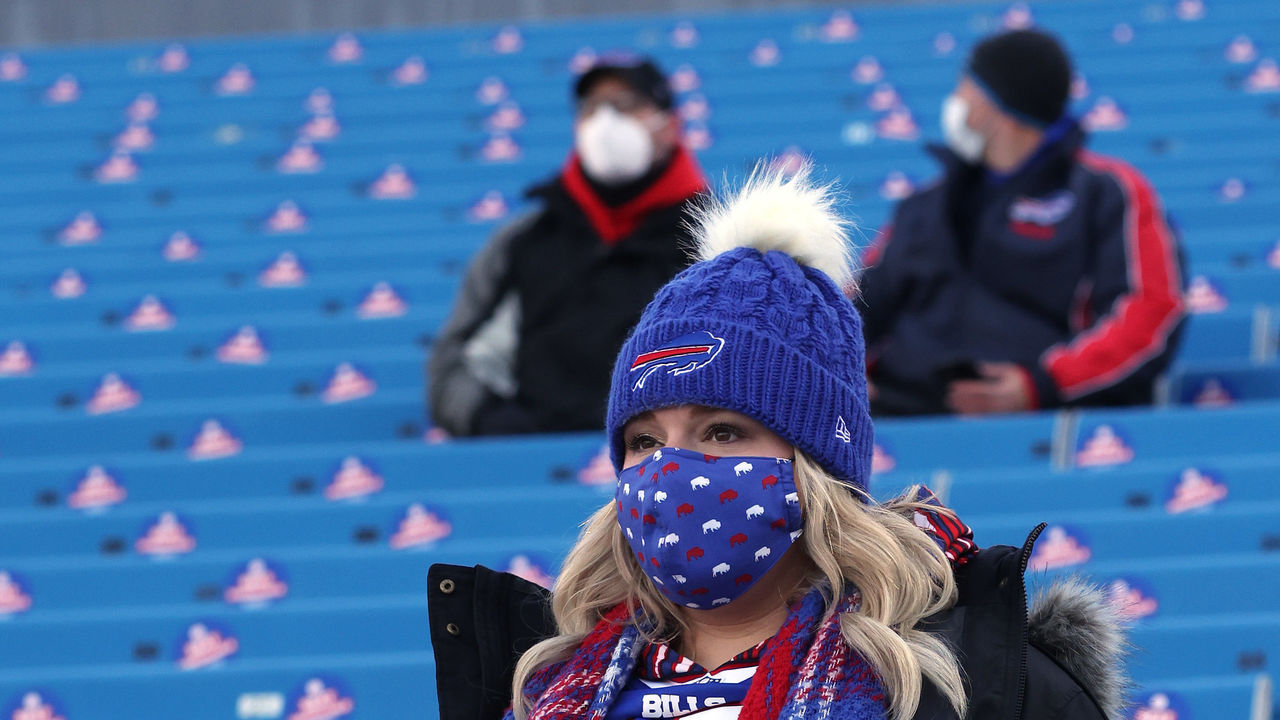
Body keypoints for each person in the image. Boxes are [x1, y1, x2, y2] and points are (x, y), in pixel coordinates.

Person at [428, 167, 1128, 720]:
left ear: (815, 462)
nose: (672, 470)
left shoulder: (975, 686)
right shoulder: (543, 690)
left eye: (723, 431)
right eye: (644, 442)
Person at [859, 29, 1186, 416]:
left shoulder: (1106, 192)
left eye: (966, 86)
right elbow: (859, 302)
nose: (957, 101)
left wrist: (1043, 385)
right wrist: (840, 373)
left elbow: (1151, 311)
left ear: (1000, 106)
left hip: (1047, 423)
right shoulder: (924, 205)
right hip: (902, 414)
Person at [429, 55, 707, 436]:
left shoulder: (711, 242)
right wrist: (487, 419)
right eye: (592, 108)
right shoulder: (524, 240)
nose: (607, 122)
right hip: (531, 462)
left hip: (667, 466)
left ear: (669, 125)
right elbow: (455, 359)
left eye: (626, 105)